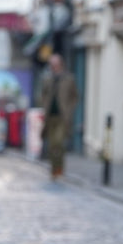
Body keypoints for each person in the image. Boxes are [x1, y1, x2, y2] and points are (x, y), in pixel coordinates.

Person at [40, 52, 78, 180]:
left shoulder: (69, 78)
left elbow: (75, 96)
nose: (53, 66)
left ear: (60, 64)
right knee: (51, 144)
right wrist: (44, 105)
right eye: (51, 64)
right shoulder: (47, 78)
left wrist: (69, 109)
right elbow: (43, 94)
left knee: (59, 142)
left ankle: (60, 168)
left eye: (55, 64)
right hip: (50, 115)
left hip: (63, 116)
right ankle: (53, 169)